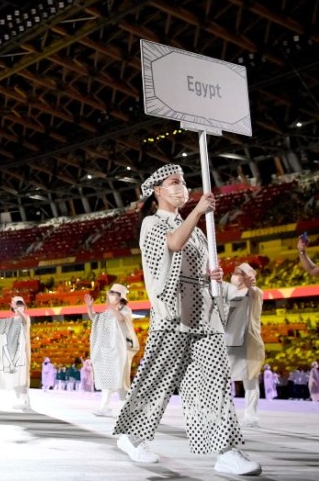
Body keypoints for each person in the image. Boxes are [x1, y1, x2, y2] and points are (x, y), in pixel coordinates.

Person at [113, 164, 260, 476]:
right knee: (158, 383)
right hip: (173, 315)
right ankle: (131, 436)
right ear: (157, 190)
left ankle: (226, 452)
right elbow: (172, 246)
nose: (181, 187)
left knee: (215, 383)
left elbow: (193, 263)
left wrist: (210, 276)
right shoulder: (152, 224)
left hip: (204, 315)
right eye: (174, 182)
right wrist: (198, 212)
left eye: (183, 182)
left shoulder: (191, 227)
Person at [220, 263, 265, 427]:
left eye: (241, 273)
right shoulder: (227, 292)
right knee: (222, 379)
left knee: (250, 377)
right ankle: (222, 412)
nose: (236, 276)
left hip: (248, 341)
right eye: (235, 273)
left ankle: (251, 415)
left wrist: (250, 285)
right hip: (228, 341)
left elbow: (252, 293)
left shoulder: (255, 292)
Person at [84, 284, 138, 417]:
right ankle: (105, 407)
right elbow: (94, 318)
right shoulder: (107, 312)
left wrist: (111, 307)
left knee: (120, 381)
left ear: (120, 297)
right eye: (110, 292)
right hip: (108, 351)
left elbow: (121, 319)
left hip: (119, 350)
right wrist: (90, 307)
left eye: (114, 293)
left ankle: (127, 409)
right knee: (107, 381)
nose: (110, 294)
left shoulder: (126, 310)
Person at [0, 296, 33, 410]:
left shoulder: (26, 317)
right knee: (16, 376)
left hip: (23, 349)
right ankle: (21, 398)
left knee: (24, 375)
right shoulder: (12, 318)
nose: (13, 305)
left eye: (17, 303)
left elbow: (25, 321)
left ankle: (26, 400)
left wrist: (19, 312)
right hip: (13, 351)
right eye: (13, 303)